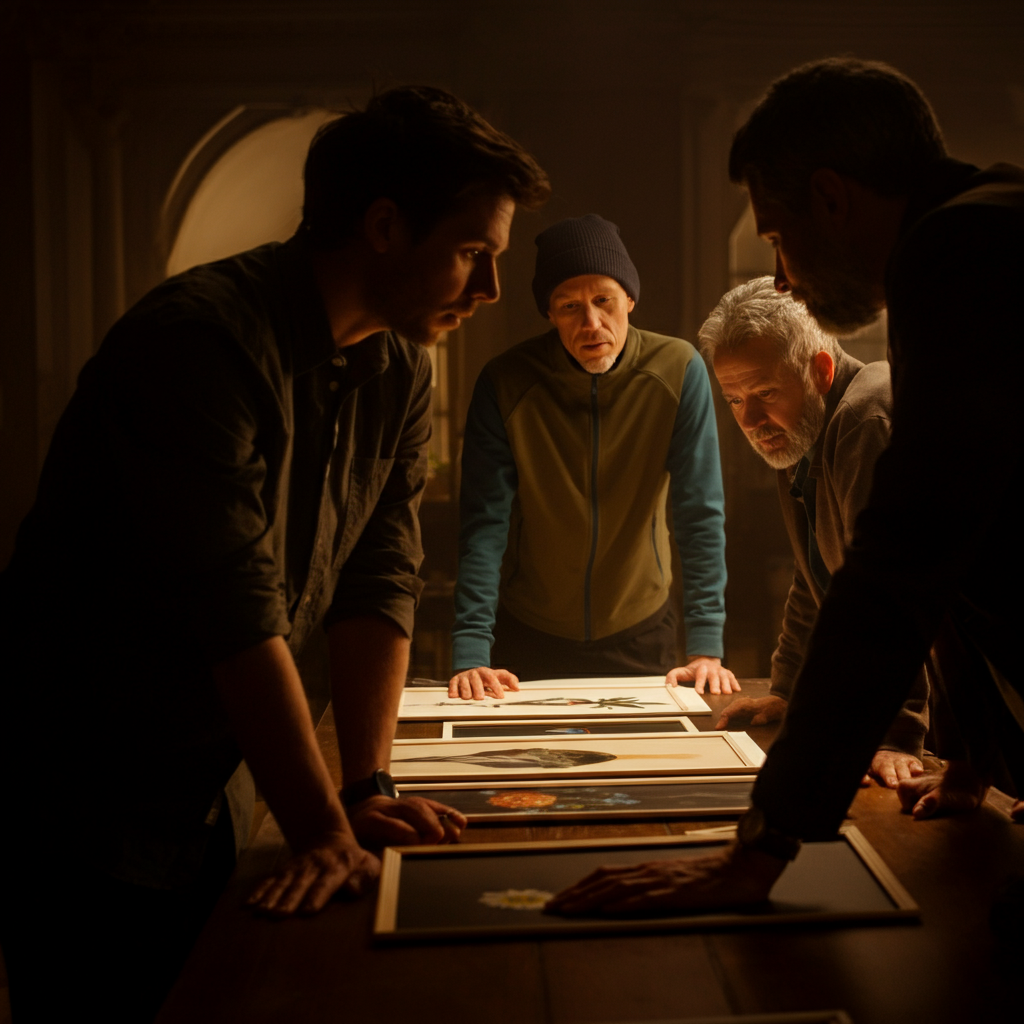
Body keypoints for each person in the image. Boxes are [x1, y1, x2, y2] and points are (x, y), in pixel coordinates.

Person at [0, 85, 549, 1020]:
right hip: (84, 794)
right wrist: (323, 832)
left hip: (219, 781)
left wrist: (364, 789)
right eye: (472, 253)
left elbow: (380, 571)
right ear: (384, 226)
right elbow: (233, 603)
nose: (492, 289)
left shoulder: (399, 366)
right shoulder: (197, 342)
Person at [547, 56, 1024, 918]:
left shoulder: (958, 252)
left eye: (776, 236)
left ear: (832, 198)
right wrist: (972, 757)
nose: (782, 276)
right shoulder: (991, 221)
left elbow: (901, 574)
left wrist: (763, 843)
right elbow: (963, 549)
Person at [448, 214, 736, 700]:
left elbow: (699, 511)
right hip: (529, 629)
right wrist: (472, 651)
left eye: (604, 300)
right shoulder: (505, 382)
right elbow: (484, 523)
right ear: (549, 313)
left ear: (630, 299)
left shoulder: (679, 369)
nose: (591, 324)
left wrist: (706, 645)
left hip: (640, 626)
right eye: (569, 306)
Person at [699, 276, 929, 789]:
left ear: (821, 370)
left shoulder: (864, 417)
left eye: (764, 393)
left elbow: (895, 591)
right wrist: (786, 688)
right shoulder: (797, 429)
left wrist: (896, 733)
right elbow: (813, 576)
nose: (750, 419)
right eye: (733, 399)